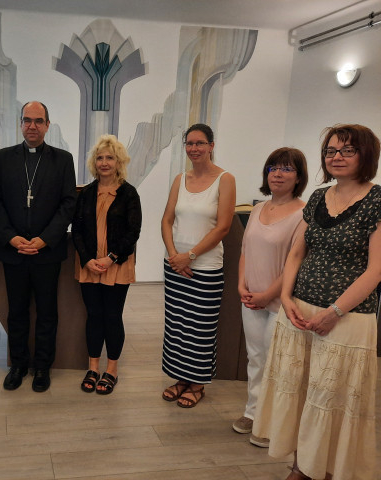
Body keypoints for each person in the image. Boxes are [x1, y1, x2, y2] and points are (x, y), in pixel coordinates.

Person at [253, 124, 381, 480]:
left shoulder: (377, 200)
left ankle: (325, 469)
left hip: (347, 317)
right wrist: (285, 296)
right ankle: (300, 466)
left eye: (347, 150)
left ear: (366, 155)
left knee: (330, 397)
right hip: (299, 310)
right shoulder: (319, 197)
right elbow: (297, 252)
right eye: (330, 151)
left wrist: (334, 311)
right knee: (299, 392)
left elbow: (375, 270)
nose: (336, 157)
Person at [0, 101, 77, 392]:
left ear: (48, 125)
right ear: (20, 124)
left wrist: (45, 238)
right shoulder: (2, 158)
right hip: (13, 250)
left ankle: (42, 367)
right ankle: (18, 365)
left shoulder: (62, 159)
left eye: (38, 121)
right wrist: (11, 237)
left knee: (47, 313)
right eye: (27, 120)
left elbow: (68, 203)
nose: (32, 126)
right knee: (17, 312)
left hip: (46, 251)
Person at [232, 148, 307, 447]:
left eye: (287, 169)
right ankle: (252, 412)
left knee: (277, 363)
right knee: (256, 358)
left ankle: (273, 423)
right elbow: (245, 252)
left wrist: (267, 295)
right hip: (251, 299)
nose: (277, 173)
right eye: (273, 168)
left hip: (280, 302)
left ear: (298, 177)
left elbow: (295, 262)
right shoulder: (258, 209)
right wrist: (242, 286)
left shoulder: (304, 214)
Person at [160, 123, 236, 408]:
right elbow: (167, 219)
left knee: (200, 328)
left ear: (211, 146)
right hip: (174, 265)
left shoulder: (225, 179)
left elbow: (223, 227)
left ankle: (197, 383)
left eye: (200, 143)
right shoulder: (180, 179)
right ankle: (181, 378)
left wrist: (189, 256)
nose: (194, 148)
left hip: (205, 268)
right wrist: (174, 256)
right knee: (177, 325)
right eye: (189, 143)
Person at [72, 135, 141, 395]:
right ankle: (93, 367)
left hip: (117, 265)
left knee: (112, 316)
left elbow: (133, 232)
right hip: (89, 264)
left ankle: (111, 369)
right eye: (100, 158)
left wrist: (111, 257)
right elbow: (77, 229)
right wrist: (87, 259)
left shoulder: (129, 193)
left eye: (109, 157)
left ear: (119, 161)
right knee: (94, 316)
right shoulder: (87, 193)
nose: (104, 162)